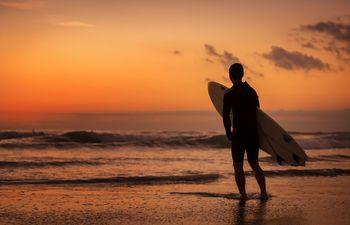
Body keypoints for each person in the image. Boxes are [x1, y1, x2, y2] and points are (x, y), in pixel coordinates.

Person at [223, 63, 268, 201]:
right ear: (242, 75)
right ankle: (264, 193)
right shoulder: (252, 91)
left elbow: (225, 116)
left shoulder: (229, 94)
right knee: (254, 164)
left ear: (230, 76)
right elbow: (258, 112)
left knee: (238, 166)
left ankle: (243, 195)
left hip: (239, 134)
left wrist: (229, 134)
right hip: (253, 133)